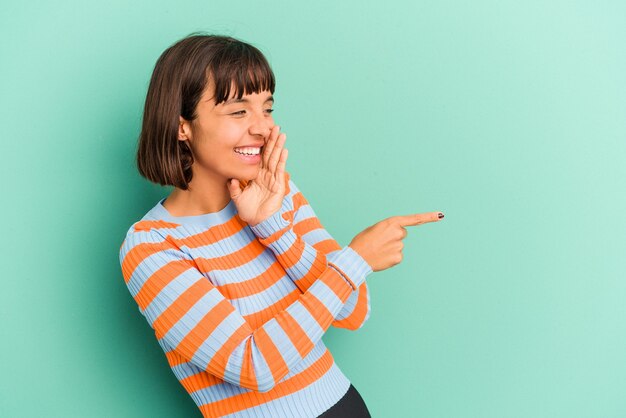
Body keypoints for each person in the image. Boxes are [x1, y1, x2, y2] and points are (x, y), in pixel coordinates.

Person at [119, 33, 444, 418]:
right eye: (239, 112)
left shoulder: (277, 191)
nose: (262, 128)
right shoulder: (152, 247)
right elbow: (253, 366)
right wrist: (356, 259)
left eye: (267, 109)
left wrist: (274, 229)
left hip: (345, 406)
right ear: (181, 126)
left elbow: (353, 311)